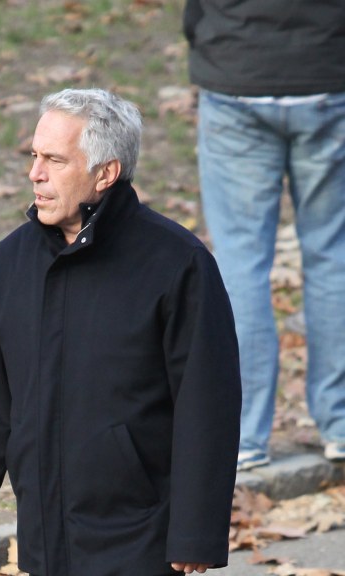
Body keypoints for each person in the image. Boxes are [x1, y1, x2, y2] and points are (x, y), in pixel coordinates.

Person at [0, 88, 242, 576]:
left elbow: (208, 405)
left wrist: (195, 532)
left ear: (106, 173)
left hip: (142, 536)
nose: (35, 173)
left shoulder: (177, 264)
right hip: (45, 534)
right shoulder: (9, 263)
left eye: (54, 160)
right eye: (35, 156)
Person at [184, 0, 345, 470]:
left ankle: (244, 435)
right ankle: (338, 422)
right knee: (334, 254)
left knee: (239, 263)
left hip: (237, 71)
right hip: (328, 72)